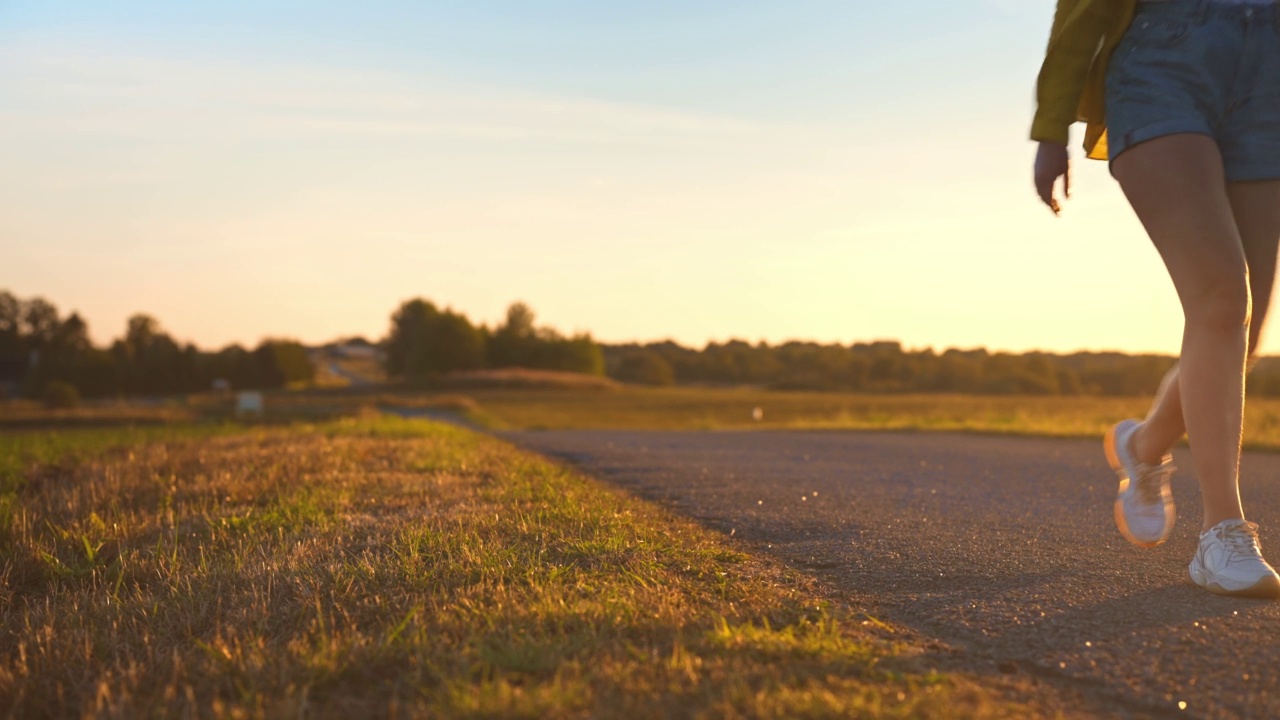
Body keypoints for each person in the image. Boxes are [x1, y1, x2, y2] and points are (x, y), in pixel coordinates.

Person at [1032, 0, 1280, 598]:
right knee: (1221, 298)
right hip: (1161, 65)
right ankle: (1223, 534)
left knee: (1240, 333)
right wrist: (1051, 128)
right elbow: (1078, 12)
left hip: (1270, 73)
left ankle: (1142, 446)